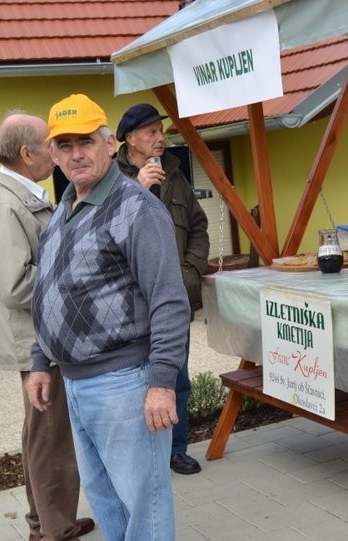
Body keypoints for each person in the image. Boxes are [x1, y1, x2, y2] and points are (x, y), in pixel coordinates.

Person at [26, 94, 189, 541]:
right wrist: (41, 362)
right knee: (105, 492)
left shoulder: (136, 208)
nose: (76, 154)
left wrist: (161, 383)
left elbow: (169, 300)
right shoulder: (67, 206)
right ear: (53, 153)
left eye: (86, 142)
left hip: (126, 379)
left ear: (109, 145)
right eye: (65, 145)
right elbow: (48, 291)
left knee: (142, 495)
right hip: (76, 379)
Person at [0, 111, 109, 541]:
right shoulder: (3, 204)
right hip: (40, 340)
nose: (59, 153)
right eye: (52, 144)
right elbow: (16, 286)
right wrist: (81, 278)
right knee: (52, 440)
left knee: (41, 434)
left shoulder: (20, 195)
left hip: (44, 335)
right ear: (27, 153)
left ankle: (43, 523)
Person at [115, 103, 209, 476]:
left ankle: (176, 449)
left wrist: (189, 273)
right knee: (133, 383)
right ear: (131, 138)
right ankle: (139, 456)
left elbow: (198, 227)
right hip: (131, 303)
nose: (160, 138)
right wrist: (138, 190)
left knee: (176, 378)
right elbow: (106, 230)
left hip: (173, 299)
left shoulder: (175, 172)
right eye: (152, 132)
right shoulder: (113, 178)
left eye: (160, 131)